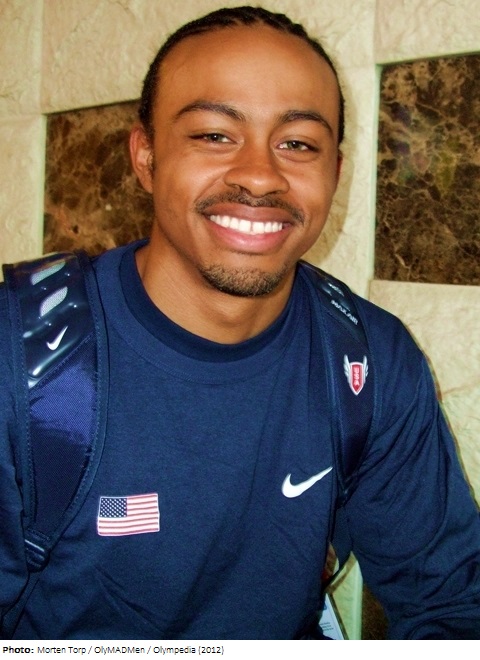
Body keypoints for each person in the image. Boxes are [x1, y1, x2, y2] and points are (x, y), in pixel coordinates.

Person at [1, 5, 479, 641]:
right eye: (214, 135)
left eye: (298, 144)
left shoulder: (370, 359)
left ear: (335, 171)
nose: (259, 174)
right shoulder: (22, 358)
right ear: (145, 156)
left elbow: (452, 606)